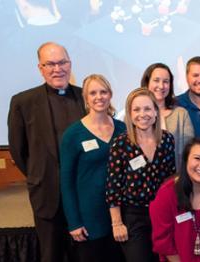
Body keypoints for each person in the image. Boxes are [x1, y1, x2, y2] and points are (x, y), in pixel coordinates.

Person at [8, 42, 85, 262]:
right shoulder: (23, 102)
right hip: (46, 193)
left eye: (62, 62)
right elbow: (18, 150)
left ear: (70, 64)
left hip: (83, 194)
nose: (57, 69)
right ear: (40, 68)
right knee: (51, 254)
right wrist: (38, 175)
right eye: (50, 64)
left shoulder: (87, 98)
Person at [60, 74, 125, 261]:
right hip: (89, 217)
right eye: (93, 93)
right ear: (86, 98)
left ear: (110, 94)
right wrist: (74, 222)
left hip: (120, 215)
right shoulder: (73, 134)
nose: (99, 97)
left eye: (103, 92)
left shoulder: (123, 129)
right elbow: (66, 182)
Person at [106, 89, 176, 262]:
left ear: (155, 112)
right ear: (129, 114)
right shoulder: (121, 143)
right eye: (136, 110)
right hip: (133, 218)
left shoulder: (167, 139)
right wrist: (117, 223)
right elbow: (113, 186)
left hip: (162, 214)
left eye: (147, 109)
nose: (142, 114)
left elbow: (170, 180)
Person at [141, 62, 194, 168]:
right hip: (143, 179)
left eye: (166, 81)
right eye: (156, 80)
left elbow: (189, 150)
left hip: (174, 178)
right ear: (147, 83)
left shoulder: (181, 114)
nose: (161, 86)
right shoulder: (135, 115)